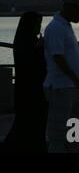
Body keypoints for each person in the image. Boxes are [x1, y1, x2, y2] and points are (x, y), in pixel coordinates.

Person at [43, 0, 79, 153]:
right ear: (70, 8)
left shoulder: (65, 25)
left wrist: (76, 82)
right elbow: (58, 57)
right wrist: (75, 79)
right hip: (60, 87)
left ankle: (70, 149)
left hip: (72, 88)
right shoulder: (56, 27)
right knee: (57, 133)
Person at [4, 12, 48, 153]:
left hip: (28, 90)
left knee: (27, 125)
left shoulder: (23, 40)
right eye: (37, 24)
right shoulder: (27, 42)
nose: (39, 27)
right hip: (31, 91)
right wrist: (40, 47)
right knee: (30, 124)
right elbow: (31, 61)